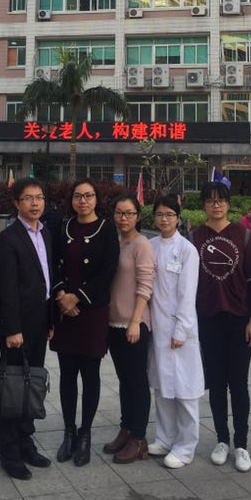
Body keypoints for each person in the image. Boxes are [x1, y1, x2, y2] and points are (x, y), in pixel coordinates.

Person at [189, 181, 251, 472]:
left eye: (220, 200)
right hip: (208, 320)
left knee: (239, 384)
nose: (216, 205)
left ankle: (241, 444)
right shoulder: (194, 237)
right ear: (204, 205)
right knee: (216, 384)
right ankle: (222, 440)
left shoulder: (243, 236)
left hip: (239, 320)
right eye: (210, 200)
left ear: (229, 205)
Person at [51, 179, 119, 466]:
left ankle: (85, 434)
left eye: (89, 196)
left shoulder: (107, 229)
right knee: (67, 374)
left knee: (90, 374)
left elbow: (108, 271)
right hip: (64, 312)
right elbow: (53, 264)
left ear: (96, 199)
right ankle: (69, 432)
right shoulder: (63, 227)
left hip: (92, 311)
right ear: (72, 199)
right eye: (78, 196)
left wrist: (78, 297)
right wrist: (61, 296)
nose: (83, 201)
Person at [0, 177, 53, 481]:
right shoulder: (8, 238)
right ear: (17, 203)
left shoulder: (46, 233)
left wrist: (51, 321)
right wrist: (12, 328)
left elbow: (48, 279)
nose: (35, 203)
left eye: (39, 197)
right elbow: (6, 288)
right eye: (28, 198)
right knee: (12, 389)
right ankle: (9, 453)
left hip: (40, 323)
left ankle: (26, 442)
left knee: (31, 386)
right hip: (17, 328)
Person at [147, 195, 204, 469]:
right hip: (157, 328)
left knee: (185, 390)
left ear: (178, 218)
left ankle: (185, 446)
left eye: (169, 214)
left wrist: (181, 329)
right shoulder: (150, 246)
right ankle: (165, 438)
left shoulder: (187, 250)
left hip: (180, 329)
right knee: (161, 388)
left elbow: (187, 295)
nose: (164, 219)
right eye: (160, 214)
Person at [103, 194, 154, 464]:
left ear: (138, 216)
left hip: (134, 324)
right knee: (124, 380)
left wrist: (135, 321)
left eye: (129, 213)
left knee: (137, 381)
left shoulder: (141, 244)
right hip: (113, 322)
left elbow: (145, 285)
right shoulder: (116, 242)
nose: (124, 218)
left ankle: (138, 437)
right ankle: (126, 428)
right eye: (119, 213)